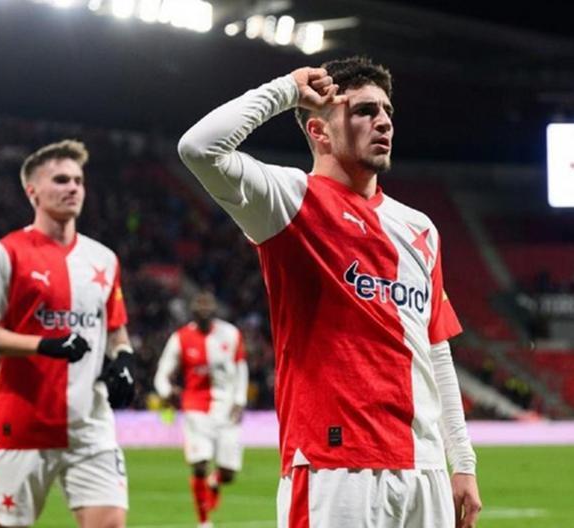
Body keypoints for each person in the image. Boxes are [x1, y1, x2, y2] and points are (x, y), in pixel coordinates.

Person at [177, 56, 482, 527]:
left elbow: (435, 349)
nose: (384, 121)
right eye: (364, 111)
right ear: (319, 131)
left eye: (387, 111)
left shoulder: (420, 228)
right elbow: (199, 148)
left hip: (424, 469)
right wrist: (287, 90)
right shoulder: (289, 200)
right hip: (333, 465)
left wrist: (461, 460)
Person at [0, 140, 137, 528]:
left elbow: (115, 328)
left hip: (91, 425)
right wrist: (46, 345)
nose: (73, 187)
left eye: (78, 180)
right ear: (33, 191)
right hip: (24, 425)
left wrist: (124, 359)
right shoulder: (6, 253)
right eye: (60, 180)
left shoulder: (103, 259)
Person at [154, 289, 248, 528]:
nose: (204, 310)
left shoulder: (231, 334)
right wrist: (167, 392)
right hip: (196, 409)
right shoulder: (180, 338)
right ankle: (204, 522)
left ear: (215, 309)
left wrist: (240, 400)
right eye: (200, 306)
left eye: (208, 305)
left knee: (228, 473)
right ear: (192, 310)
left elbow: (241, 369)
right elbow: (162, 373)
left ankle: (214, 482)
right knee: (199, 464)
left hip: (227, 408)